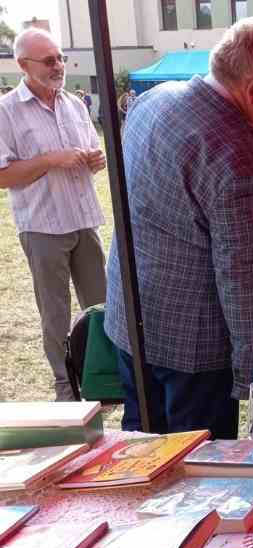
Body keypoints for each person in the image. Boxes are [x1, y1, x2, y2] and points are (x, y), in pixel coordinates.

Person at [104, 18, 253, 438]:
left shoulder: (152, 100)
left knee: (141, 454)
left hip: (131, 318)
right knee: (195, 479)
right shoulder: (234, 156)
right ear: (251, 89)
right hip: (193, 351)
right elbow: (245, 278)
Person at [0, 28, 107, 402]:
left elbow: (92, 156)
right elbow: (3, 175)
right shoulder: (6, 111)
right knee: (55, 312)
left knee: (102, 304)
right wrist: (49, 160)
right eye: (49, 60)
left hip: (84, 219)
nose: (58, 65)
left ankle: (105, 377)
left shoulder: (74, 104)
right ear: (23, 65)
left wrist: (96, 161)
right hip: (42, 226)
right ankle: (67, 387)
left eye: (60, 57)